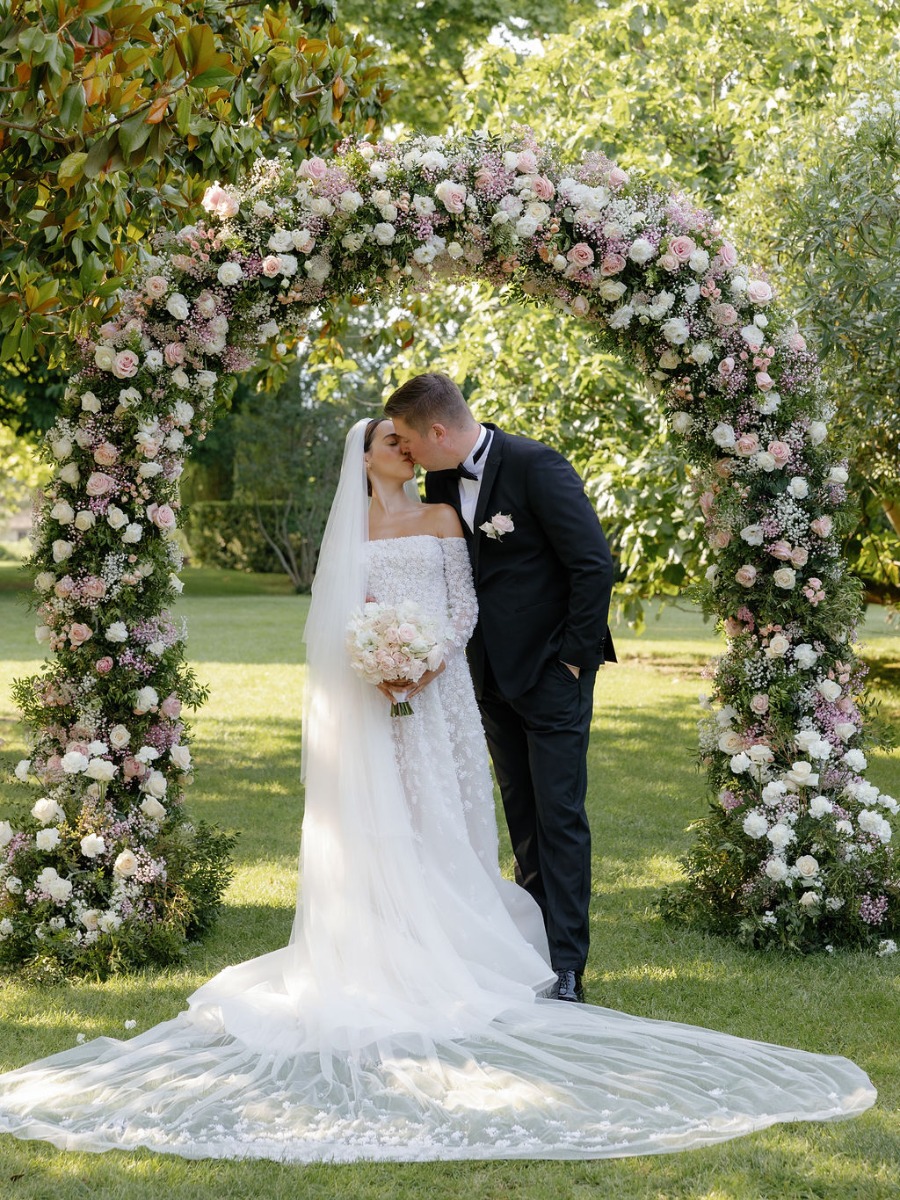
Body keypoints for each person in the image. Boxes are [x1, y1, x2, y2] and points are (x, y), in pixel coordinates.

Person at [0, 419, 875, 1163]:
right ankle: (382, 942)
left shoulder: (445, 515)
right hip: (373, 698)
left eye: (409, 438)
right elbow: (337, 620)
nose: (407, 452)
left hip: (445, 687)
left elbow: (464, 608)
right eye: (391, 442)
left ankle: (498, 947)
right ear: (367, 456)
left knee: (452, 815)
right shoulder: (349, 535)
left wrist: (422, 660)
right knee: (380, 823)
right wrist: (375, 665)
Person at [385, 374, 615, 1004]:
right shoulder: (438, 481)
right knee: (521, 817)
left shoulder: (538, 465)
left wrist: (571, 661)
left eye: (407, 440)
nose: (405, 453)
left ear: (437, 431)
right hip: (486, 678)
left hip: (551, 674)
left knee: (559, 815)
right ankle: (533, 951)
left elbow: (594, 564)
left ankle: (568, 965)